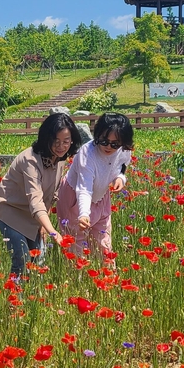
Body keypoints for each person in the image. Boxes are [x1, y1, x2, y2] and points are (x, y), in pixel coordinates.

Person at [0, 112, 80, 278]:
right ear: (46, 138)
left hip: (33, 216)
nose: (61, 146)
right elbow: (36, 200)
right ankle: (15, 300)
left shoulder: (59, 159)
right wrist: (53, 231)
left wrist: (43, 226)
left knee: (38, 260)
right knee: (22, 257)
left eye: (66, 141)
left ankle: (33, 299)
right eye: (56, 141)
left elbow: (51, 195)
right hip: (10, 211)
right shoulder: (30, 160)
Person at [57, 112, 134, 263]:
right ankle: (76, 282)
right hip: (75, 198)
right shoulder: (87, 154)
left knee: (103, 240)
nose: (109, 147)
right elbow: (84, 187)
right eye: (104, 141)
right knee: (76, 243)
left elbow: (124, 163)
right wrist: (83, 214)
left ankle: (108, 279)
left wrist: (120, 178)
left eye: (115, 144)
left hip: (101, 197)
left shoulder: (124, 148)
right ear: (97, 135)